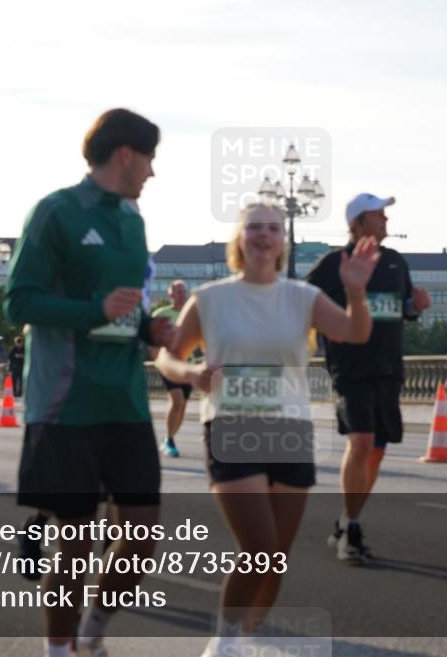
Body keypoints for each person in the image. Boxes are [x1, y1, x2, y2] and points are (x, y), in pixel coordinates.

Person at [156, 202, 378, 657]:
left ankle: (246, 636)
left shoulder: (302, 296)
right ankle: (225, 642)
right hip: (231, 425)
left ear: (283, 241)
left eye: (273, 229)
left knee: (275, 556)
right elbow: (166, 356)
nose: (263, 235)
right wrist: (192, 374)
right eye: (254, 227)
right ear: (239, 239)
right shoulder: (211, 298)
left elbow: (355, 334)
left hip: (289, 429)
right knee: (257, 546)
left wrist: (356, 291)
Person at [4, 108, 174, 657]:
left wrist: (151, 326)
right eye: (149, 159)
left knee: (142, 537)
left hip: (124, 400)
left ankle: (91, 632)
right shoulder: (55, 212)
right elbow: (18, 301)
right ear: (125, 154)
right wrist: (92, 309)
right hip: (66, 401)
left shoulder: (132, 220)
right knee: (75, 543)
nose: (152, 172)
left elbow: (127, 304)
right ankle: (60, 650)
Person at [306, 193, 430, 563]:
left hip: (388, 368)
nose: (386, 221)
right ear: (357, 223)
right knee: (360, 442)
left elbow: (402, 308)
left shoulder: (394, 262)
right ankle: (354, 529)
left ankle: (347, 520)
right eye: (378, 215)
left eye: (385, 215)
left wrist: (415, 306)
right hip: (350, 368)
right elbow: (304, 303)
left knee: (376, 449)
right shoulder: (332, 263)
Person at [151, 280, 192, 457]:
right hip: (167, 364)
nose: (182, 294)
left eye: (184, 291)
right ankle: (169, 439)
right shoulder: (161, 314)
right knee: (177, 400)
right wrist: (157, 360)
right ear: (171, 295)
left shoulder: (191, 314)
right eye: (178, 292)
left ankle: (170, 437)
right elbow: (151, 340)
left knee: (182, 406)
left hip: (187, 365)